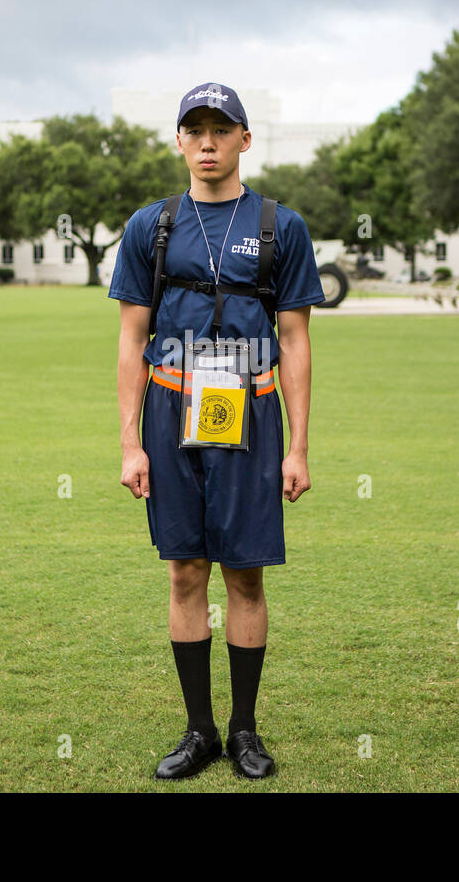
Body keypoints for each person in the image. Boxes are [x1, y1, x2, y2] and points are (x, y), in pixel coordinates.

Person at [110, 83, 323, 779]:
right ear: (178, 141)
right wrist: (130, 441)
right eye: (194, 129)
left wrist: (298, 446)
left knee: (247, 577)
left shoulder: (278, 226)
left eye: (220, 129)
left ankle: (245, 731)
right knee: (184, 572)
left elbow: (294, 340)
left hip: (250, 410)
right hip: (173, 411)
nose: (207, 141)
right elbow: (129, 339)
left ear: (244, 140)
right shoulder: (152, 226)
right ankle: (199, 730)